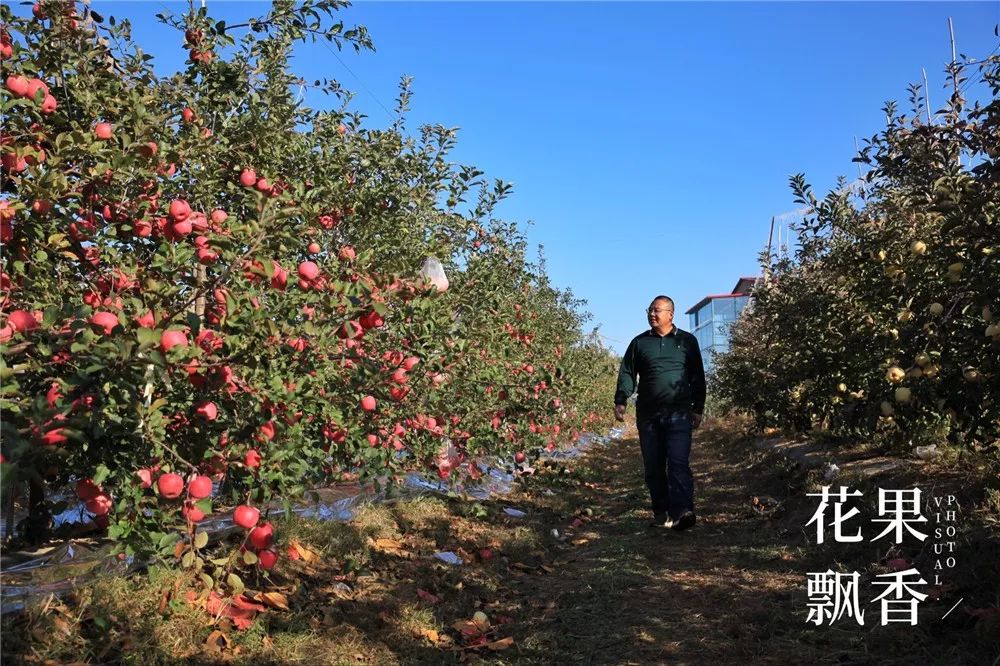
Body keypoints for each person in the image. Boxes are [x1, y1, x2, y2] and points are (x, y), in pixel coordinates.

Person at [614, 295, 706, 530]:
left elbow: (697, 376)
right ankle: (662, 511)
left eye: (657, 310)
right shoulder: (639, 343)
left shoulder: (687, 342)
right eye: (650, 310)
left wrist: (698, 407)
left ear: (670, 314)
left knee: (678, 462)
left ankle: (683, 511)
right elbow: (627, 373)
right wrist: (621, 399)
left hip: (679, 412)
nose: (652, 314)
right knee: (654, 466)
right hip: (648, 415)